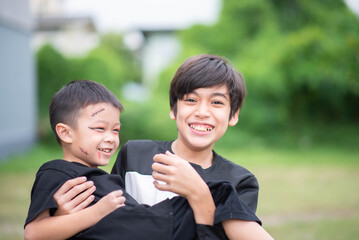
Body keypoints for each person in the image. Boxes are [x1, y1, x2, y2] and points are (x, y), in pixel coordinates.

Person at [24, 80, 272, 240]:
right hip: (156, 227)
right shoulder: (56, 172)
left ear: (233, 114)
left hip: (160, 226)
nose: (111, 139)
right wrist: (72, 217)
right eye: (100, 129)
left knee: (220, 192)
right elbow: (35, 233)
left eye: (116, 130)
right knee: (221, 193)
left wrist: (198, 193)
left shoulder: (242, 180)